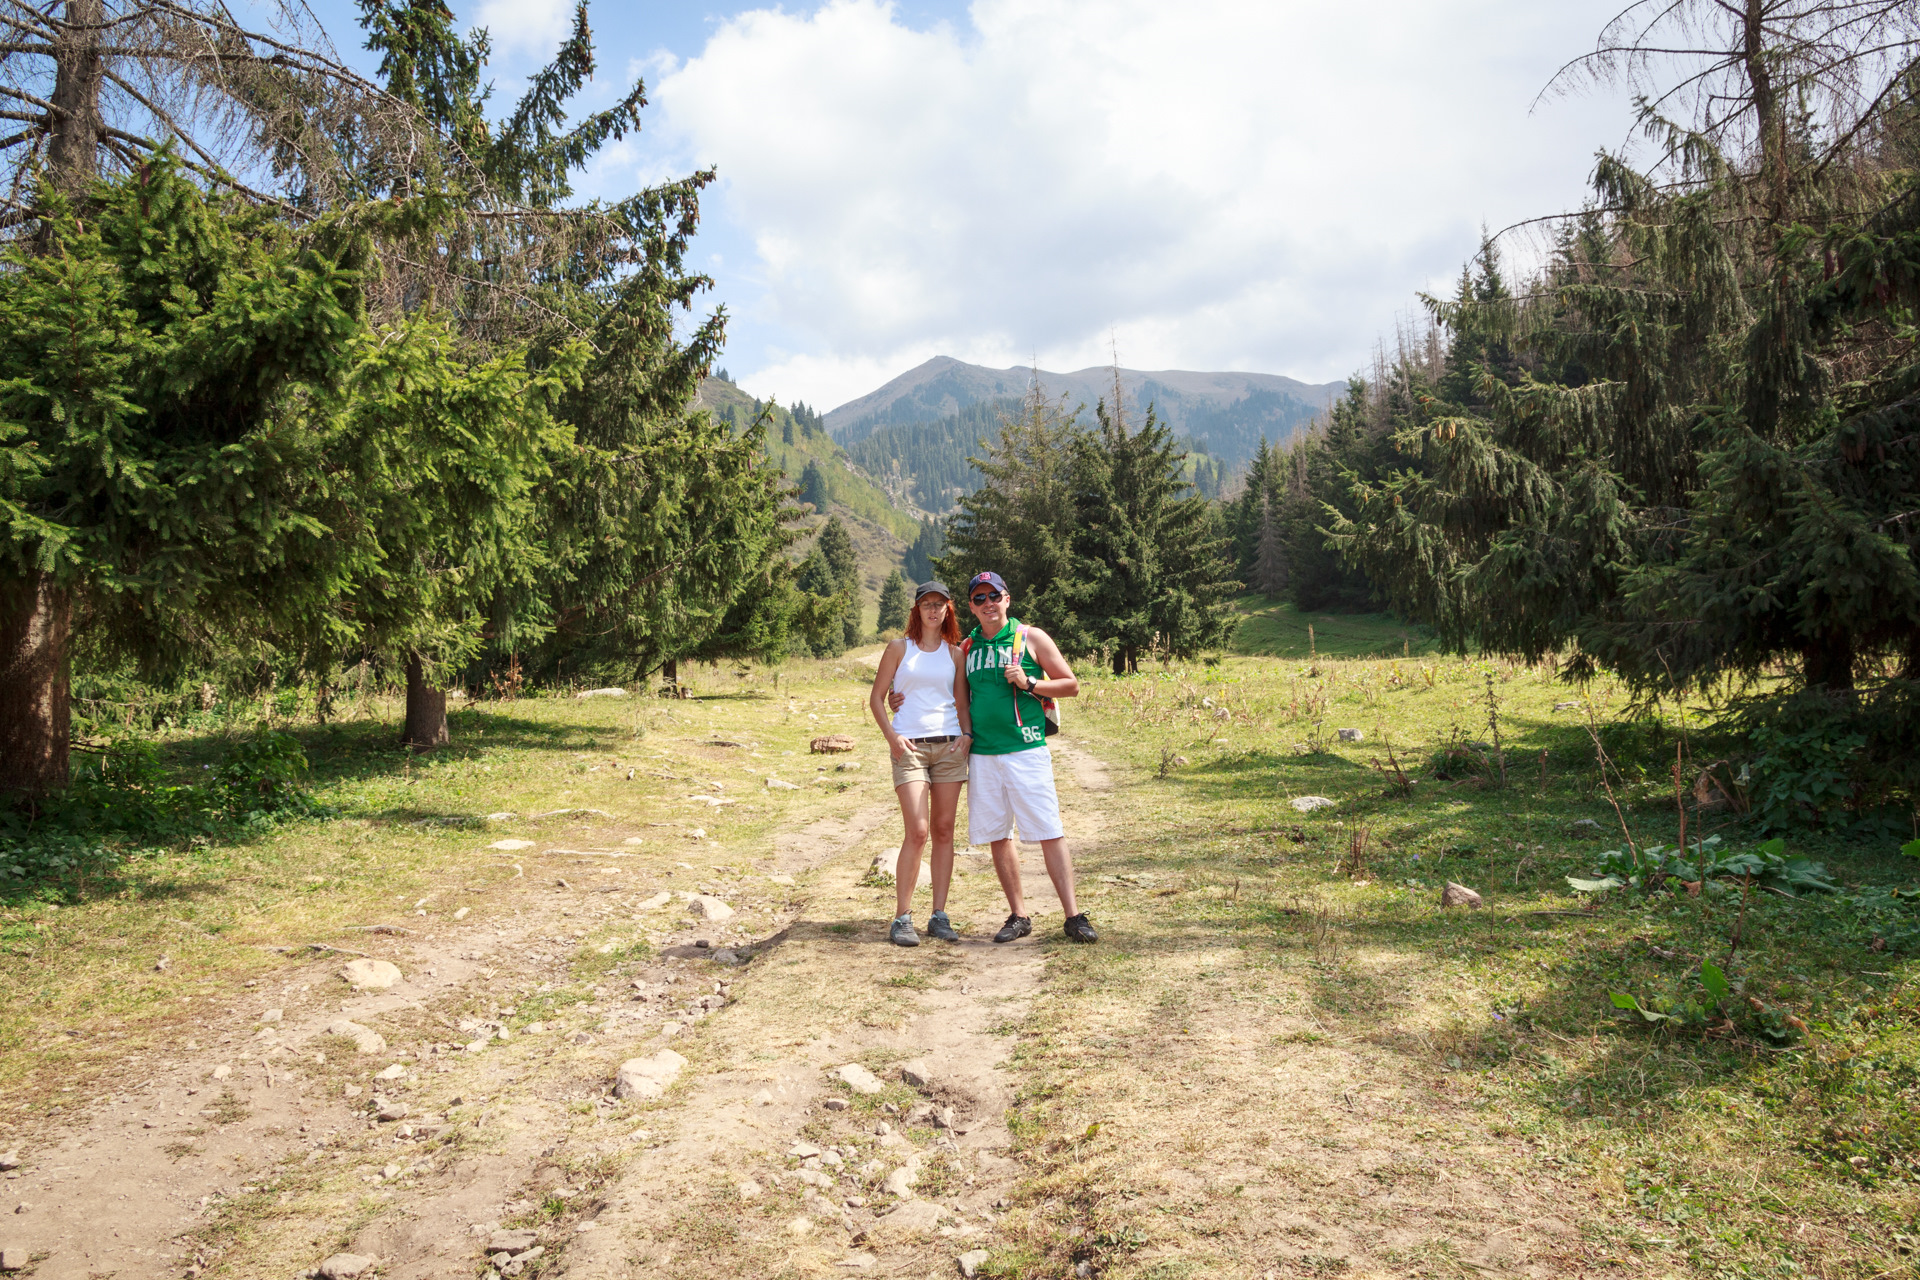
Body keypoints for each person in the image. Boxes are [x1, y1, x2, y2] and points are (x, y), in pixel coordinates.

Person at [958, 571, 1097, 944]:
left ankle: (1073, 915)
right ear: (971, 606)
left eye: (993, 596)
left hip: (1026, 749)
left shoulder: (1030, 637)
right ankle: (1019, 915)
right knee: (998, 835)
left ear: (1007, 599)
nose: (987, 604)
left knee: (1049, 830)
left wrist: (1030, 683)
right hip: (984, 754)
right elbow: (953, 693)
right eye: (979, 598)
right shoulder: (968, 647)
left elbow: (1071, 684)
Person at [867, 580, 973, 947]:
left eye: (939, 604)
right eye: (926, 603)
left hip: (948, 749)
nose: (933, 609)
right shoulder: (899, 649)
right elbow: (877, 699)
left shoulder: (955, 654)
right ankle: (902, 917)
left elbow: (961, 704)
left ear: (948, 609)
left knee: (945, 831)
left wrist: (968, 735)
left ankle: (939, 915)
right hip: (909, 748)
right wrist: (893, 738)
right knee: (918, 831)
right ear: (916, 609)